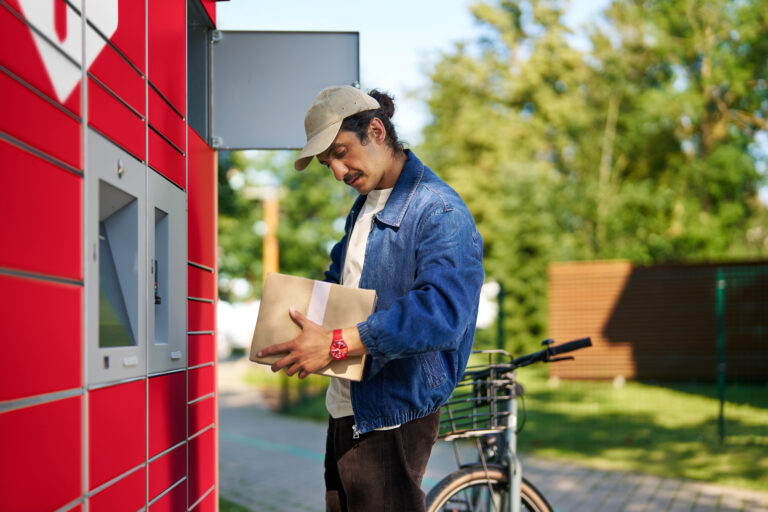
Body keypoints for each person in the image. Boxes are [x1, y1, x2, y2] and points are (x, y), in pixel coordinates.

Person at [257, 85, 484, 512]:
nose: (338, 172)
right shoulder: (363, 209)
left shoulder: (439, 211)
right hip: (347, 408)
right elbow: (338, 287)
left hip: (393, 413)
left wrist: (336, 343)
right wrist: (291, 325)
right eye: (328, 163)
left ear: (376, 130)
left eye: (342, 152)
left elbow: (442, 313)